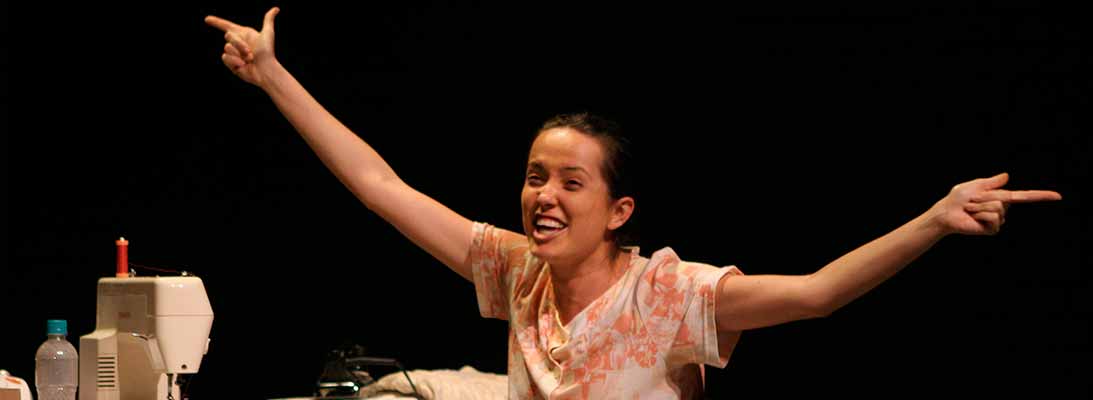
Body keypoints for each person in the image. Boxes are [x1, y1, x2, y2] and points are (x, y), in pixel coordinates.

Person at [205, 7, 1063, 399]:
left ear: (619, 211)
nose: (543, 196)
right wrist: (274, 77)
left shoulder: (669, 294)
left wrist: (933, 219)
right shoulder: (514, 268)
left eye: (569, 183)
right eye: (535, 176)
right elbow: (380, 186)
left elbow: (816, 293)